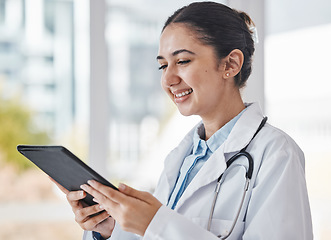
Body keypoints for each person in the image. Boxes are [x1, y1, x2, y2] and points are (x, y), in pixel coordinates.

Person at [53, 2, 313, 239]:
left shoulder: (277, 154)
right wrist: (111, 229)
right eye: (163, 65)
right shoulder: (183, 158)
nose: (168, 80)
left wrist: (156, 223)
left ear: (230, 64)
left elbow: (164, 230)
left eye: (183, 61)